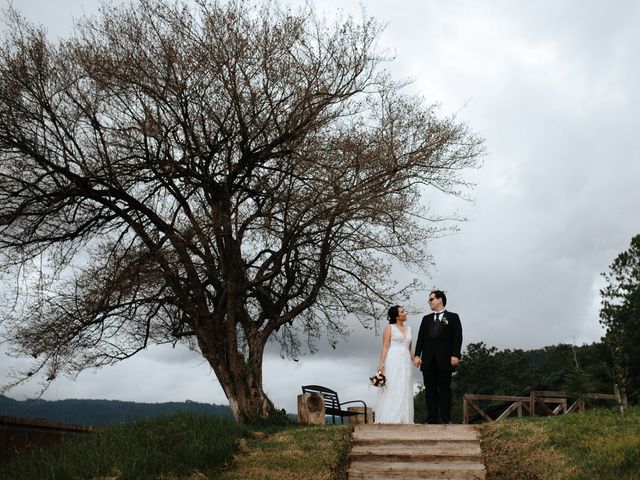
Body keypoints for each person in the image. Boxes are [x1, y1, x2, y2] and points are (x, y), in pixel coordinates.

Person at [413, 290, 462, 424]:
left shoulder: (453, 317)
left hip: (445, 360)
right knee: (430, 391)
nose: (429, 302)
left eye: (431, 299)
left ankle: (446, 419)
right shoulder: (426, 319)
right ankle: (432, 419)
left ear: (440, 300)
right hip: (428, 361)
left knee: (445, 390)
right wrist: (417, 355)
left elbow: (457, 338)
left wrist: (455, 355)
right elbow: (421, 339)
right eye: (429, 300)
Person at [374, 305, 415, 424]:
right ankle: (389, 417)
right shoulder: (389, 328)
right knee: (392, 385)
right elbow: (385, 346)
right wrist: (381, 364)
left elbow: (409, 348)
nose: (405, 312)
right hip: (393, 358)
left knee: (404, 386)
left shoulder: (409, 329)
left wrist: (415, 359)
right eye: (402, 311)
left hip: (405, 361)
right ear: (397, 316)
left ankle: (404, 417)